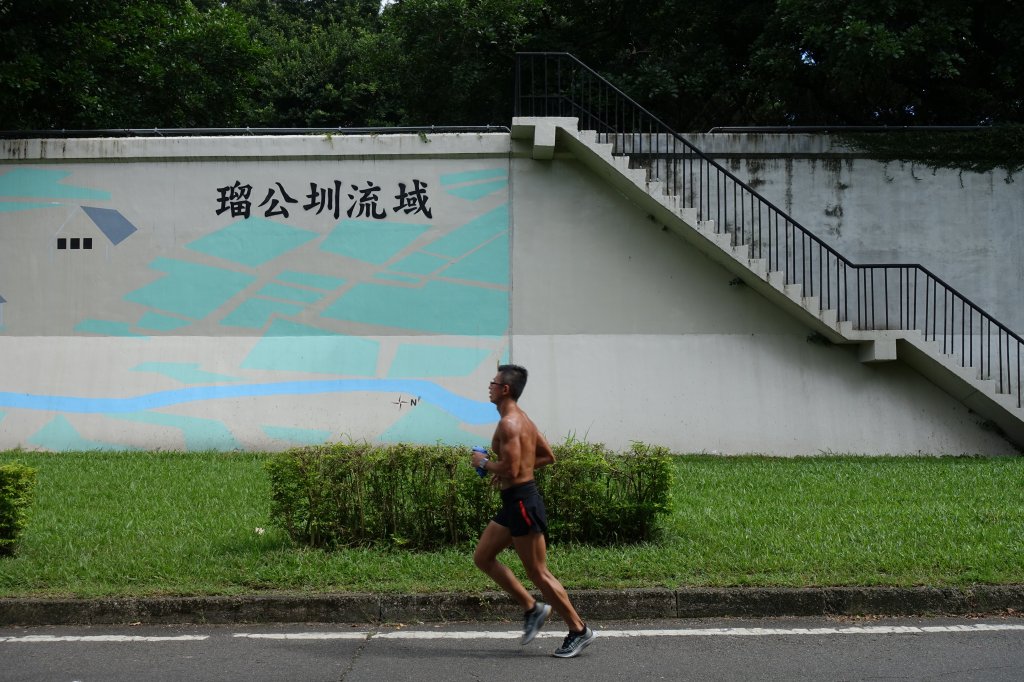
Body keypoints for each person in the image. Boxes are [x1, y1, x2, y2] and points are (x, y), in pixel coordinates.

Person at [470, 364, 595, 658]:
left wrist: (484, 464)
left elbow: (513, 467)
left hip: (523, 505)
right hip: (514, 502)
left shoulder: (510, 423)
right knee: (483, 557)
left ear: (505, 390)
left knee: (538, 572)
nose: (489, 386)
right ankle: (532, 608)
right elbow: (546, 456)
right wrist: (513, 471)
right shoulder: (522, 419)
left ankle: (579, 630)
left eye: (494, 382)